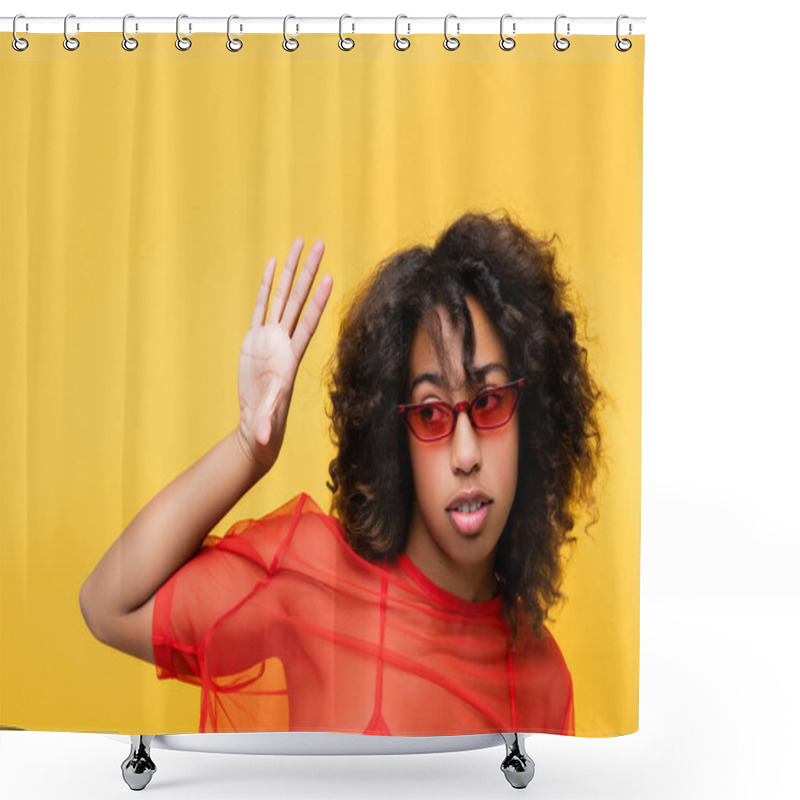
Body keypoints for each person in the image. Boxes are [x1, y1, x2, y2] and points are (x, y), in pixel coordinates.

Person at [79, 210, 603, 736]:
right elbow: (108, 606)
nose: (465, 454)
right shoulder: (311, 580)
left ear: (532, 424)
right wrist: (246, 450)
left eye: (489, 402)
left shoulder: (545, 677)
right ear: (395, 440)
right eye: (430, 413)